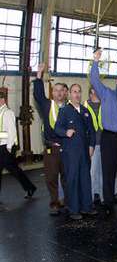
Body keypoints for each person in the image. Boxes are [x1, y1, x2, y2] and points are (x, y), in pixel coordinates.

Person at [90, 49, 117, 214]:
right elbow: (94, 79)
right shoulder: (106, 93)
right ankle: (108, 203)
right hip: (108, 138)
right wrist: (95, 61)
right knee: (108, 171)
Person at [54, 84, 96, 220]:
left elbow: (92, 131)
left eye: (79, 91)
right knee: (72, 179)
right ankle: (73, 209)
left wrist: (91, 146)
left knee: (85, 178)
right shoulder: (64, 111)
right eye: (74, 92)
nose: (77, 94)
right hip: (70, 152)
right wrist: (66, 132)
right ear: (69, 94)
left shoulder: (85, 110)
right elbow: (57, 128)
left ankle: (87, 207)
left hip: (84, 152)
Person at [33, 63, 66, 214]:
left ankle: (67, 200)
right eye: (56, 90)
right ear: (52, 93)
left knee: (67, 176)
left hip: (67, 148)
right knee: (51, 176)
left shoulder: (70, 108)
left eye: (62, 91)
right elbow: (38, 94)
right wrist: (39, 74)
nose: (59, 93)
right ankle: (55, 202)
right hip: (51, 148)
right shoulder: (47, 105)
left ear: (65, 93)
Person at [0, 89, 36, 206]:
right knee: (14, 170)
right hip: (1, 146)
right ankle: (30, 187)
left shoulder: (7, 113)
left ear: (2, 100)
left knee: (14, 170)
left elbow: (12, 131)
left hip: (6, 147)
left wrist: (9, 148)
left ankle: (30, 187)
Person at [84, 87, 103, 204]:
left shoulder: (104, 104)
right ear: (91, 93)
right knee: (92, 171)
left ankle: (101, 195)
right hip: (92, 144)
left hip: (104, 143)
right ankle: (89, 198)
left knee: (102, 172)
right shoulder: (84, 107)